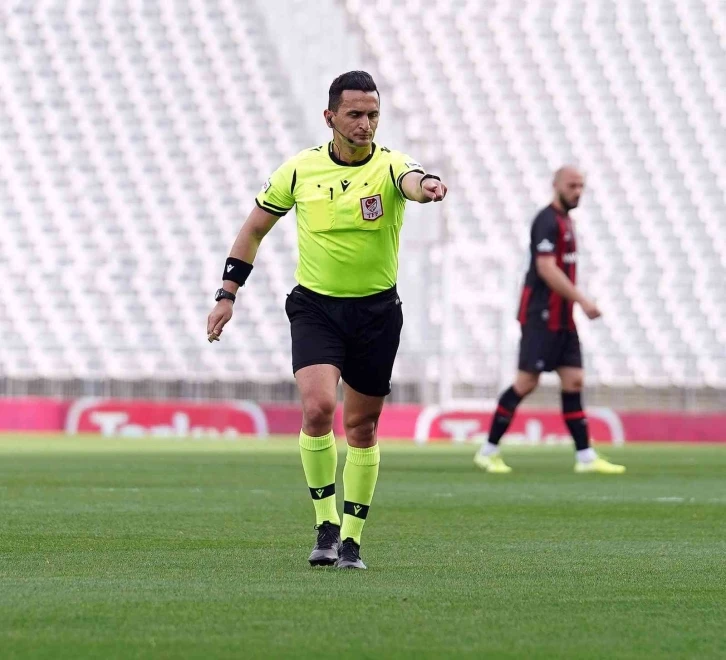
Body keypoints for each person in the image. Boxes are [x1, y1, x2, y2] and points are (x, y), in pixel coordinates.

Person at [207, 71, 447, 569]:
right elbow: (253, 230)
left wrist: (428, 187)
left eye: (373, 115)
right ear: (330, 116)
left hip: (376, 313)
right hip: (316, 308)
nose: (365, 124)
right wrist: (227, 294)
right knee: (318, 408)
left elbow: (413, 181)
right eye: (355, 114)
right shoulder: (299, 170)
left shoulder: (391, 165)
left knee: (362, 426)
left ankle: (353, 540)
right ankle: (326, 525)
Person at [474, 166, 625, 474]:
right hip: (541, 316)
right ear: (556, 185)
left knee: (574, 380)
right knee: (526, 382)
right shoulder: (546, 220)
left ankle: (585, 457)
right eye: (572, 186)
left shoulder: (567, 222)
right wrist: (582, 300)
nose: (577, 192)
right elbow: (546, 268)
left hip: (563, 318)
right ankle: (488, 451)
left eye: (581, 186)